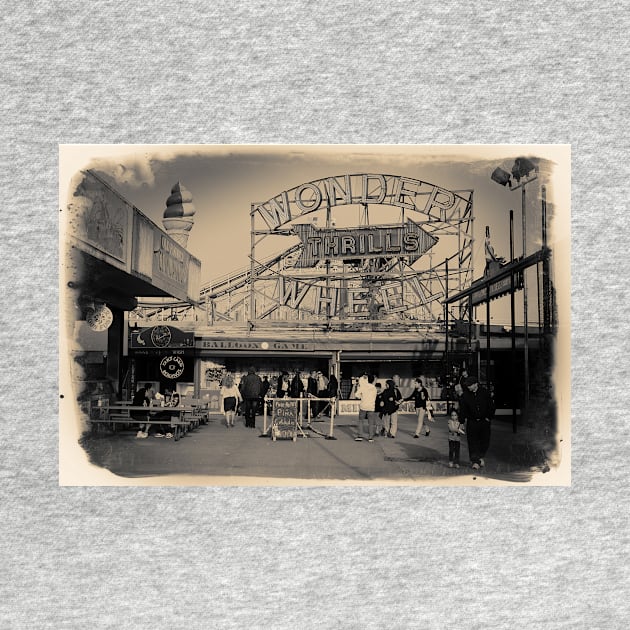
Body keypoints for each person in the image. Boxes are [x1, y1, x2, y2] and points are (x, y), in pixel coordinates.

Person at [458, 375, 495, 469]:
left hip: (484, 421)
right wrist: (461, 422)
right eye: (467, 385)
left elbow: (491, 406)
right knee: (472, 442)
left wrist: (488, 418)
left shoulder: (485, 393)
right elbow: (462, 409)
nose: (468, 387)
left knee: (485, 441)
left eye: (470, 385)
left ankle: (480, 457)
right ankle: (475, 461)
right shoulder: (465, 395)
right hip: (472, 422)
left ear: (476, 384)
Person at [352, 374, 377, 442]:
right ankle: (370, 437)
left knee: (361, 421)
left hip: (363, 405)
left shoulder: (363, 387)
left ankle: (360, 436)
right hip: (371, 406)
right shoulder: (374, 388)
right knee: (371, 422)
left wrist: (361, 396)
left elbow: (356, 394)